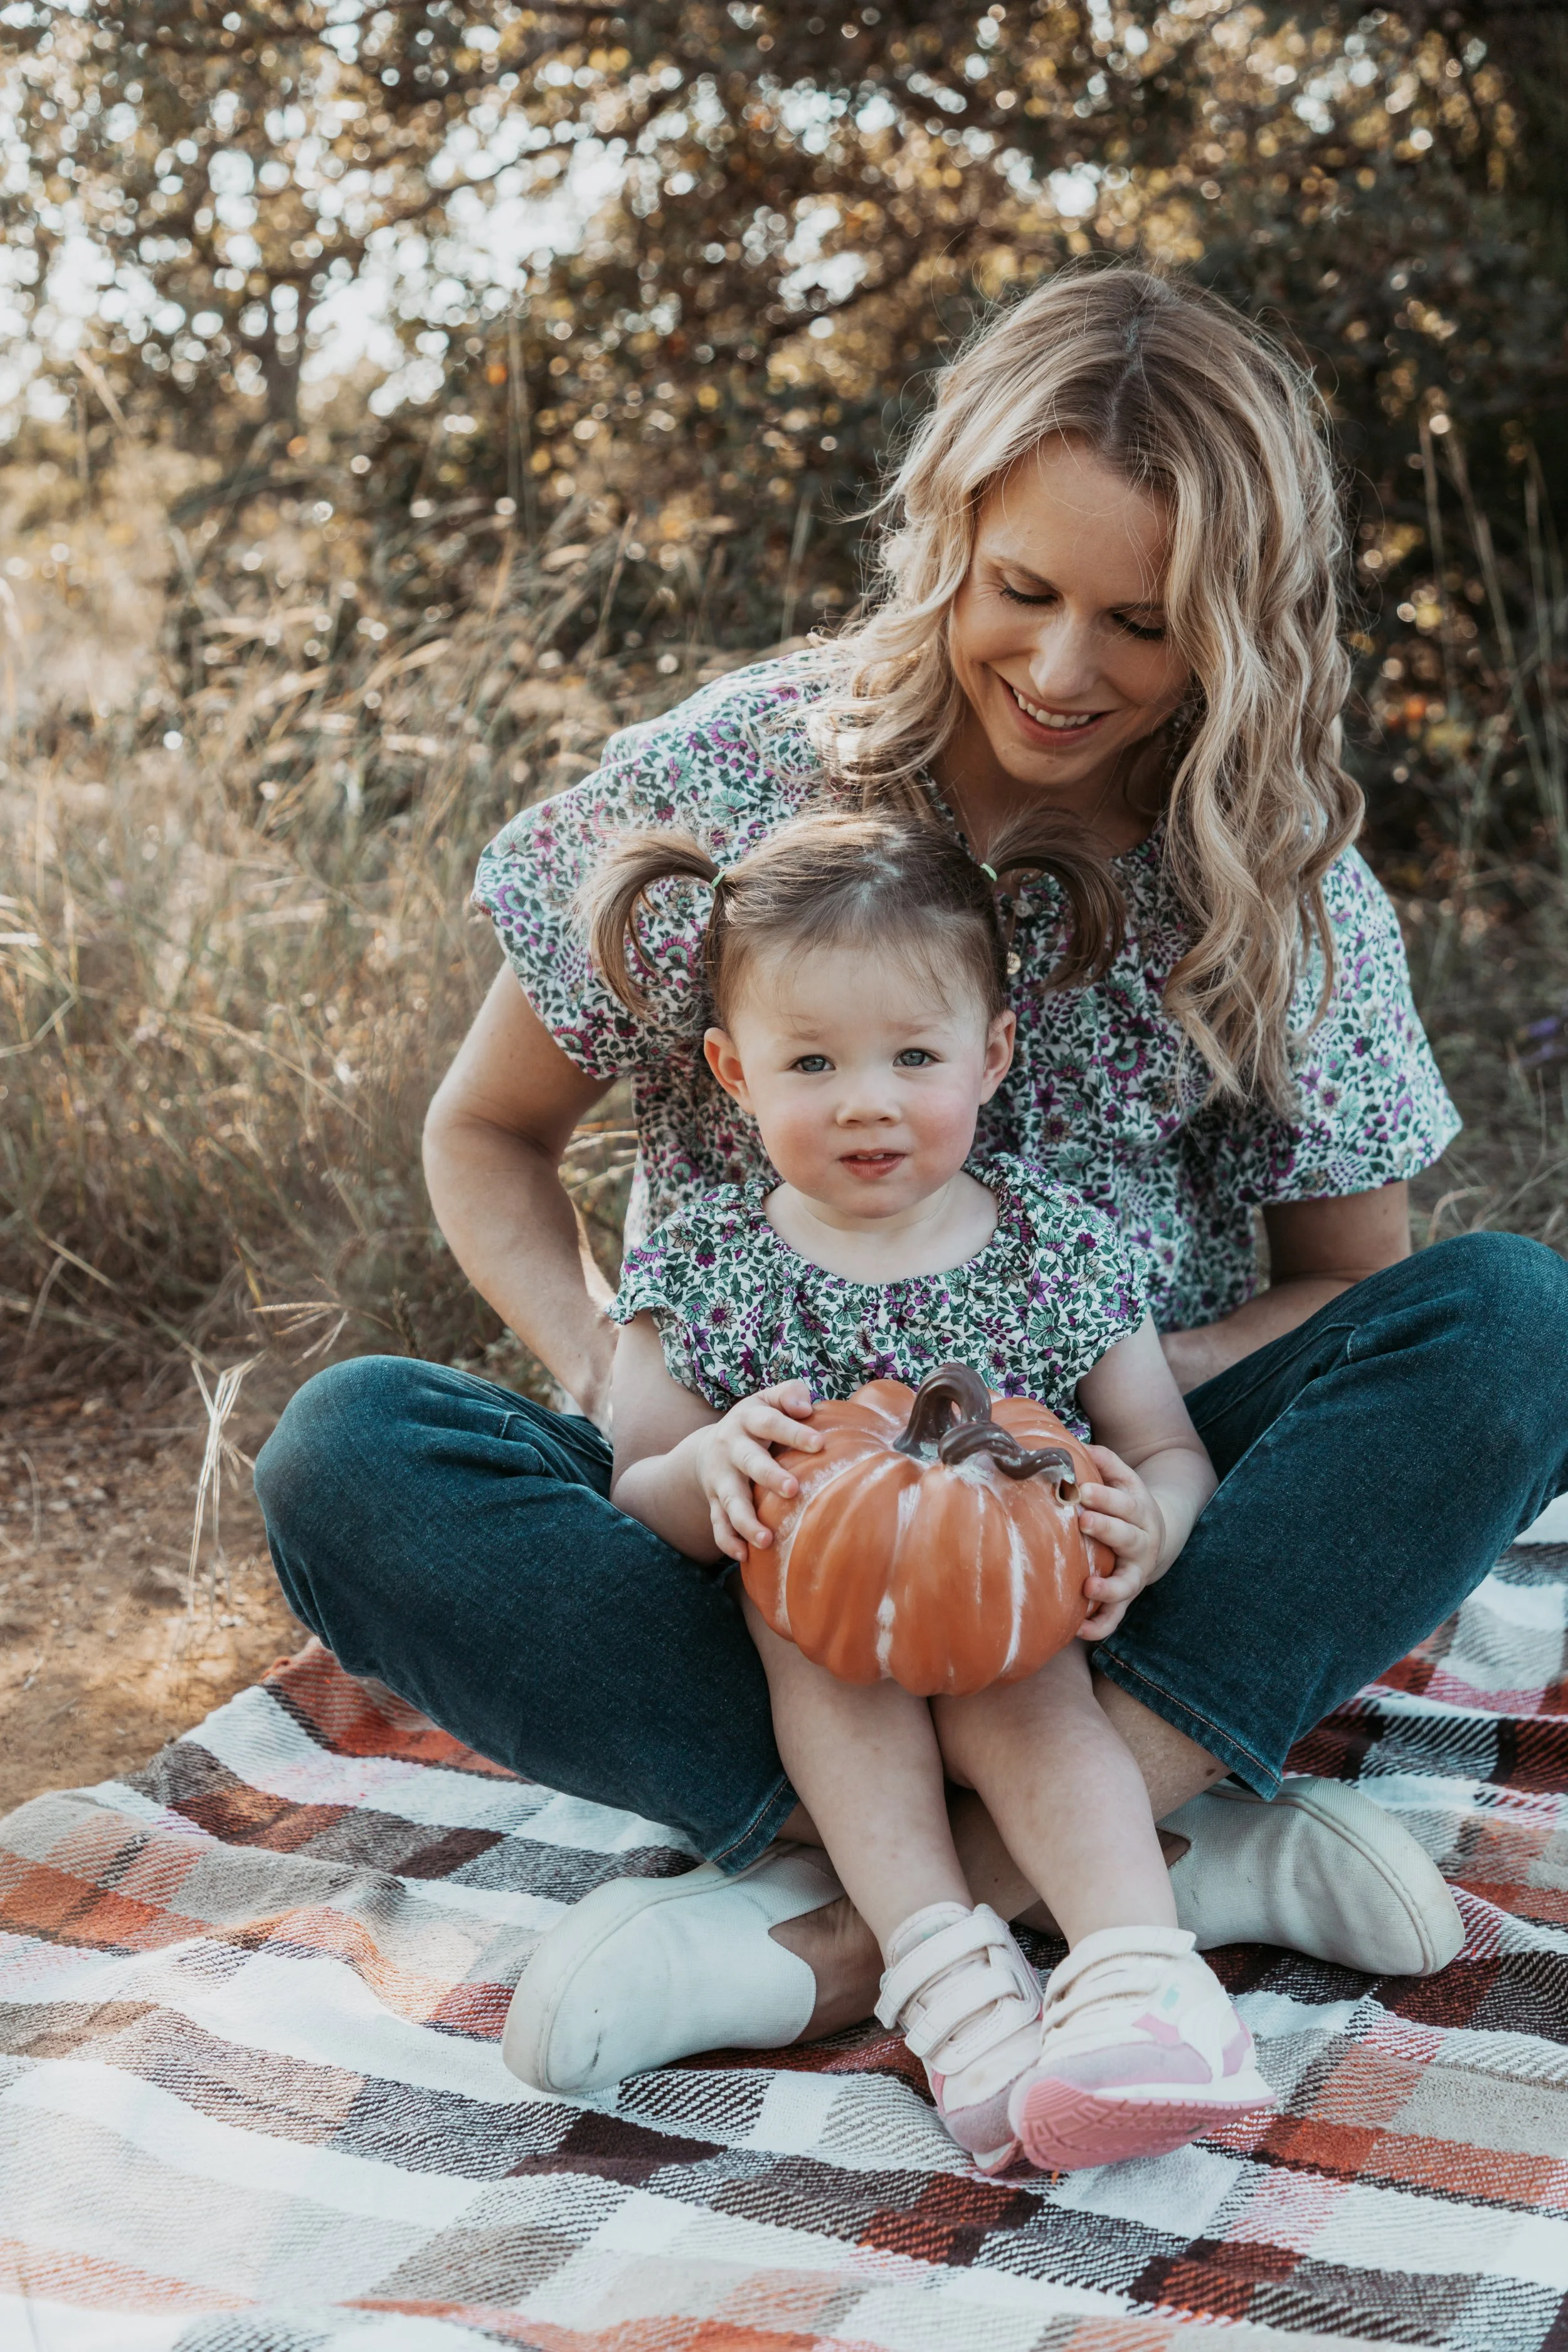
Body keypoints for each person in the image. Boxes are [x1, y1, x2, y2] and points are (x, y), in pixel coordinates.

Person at [255, 267, 1568, 2107]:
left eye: (1140, 621)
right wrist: (624, 1380)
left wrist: (1076, 1413)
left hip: (1111, 1548)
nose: (1055, 670)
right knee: (346, 1457)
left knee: (1517, 1318)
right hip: (757, 1520)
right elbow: (483, 1133)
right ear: (946, 529)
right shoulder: (733, 770)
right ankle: (1144, 1857)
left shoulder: (1277, 878)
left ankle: (882, 1912)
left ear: (1237, 625)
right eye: (1021, 590)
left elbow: (1357, 1289)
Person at [583, 805, 1278, 2173]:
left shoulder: (1058, 1249)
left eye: (914, 1055)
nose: (867, 1099)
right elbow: (630, 1483)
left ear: (991, 1055)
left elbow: (1161, 1445)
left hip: (1016, 1611)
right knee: (815, 1649)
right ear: (732, 1071)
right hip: (815, 1636)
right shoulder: (708, 1262)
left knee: (1030, 1696)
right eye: (812, 1060)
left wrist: (1154, 1524)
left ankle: (1146, 1983)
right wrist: (706, 1467)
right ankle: (953, 1988)